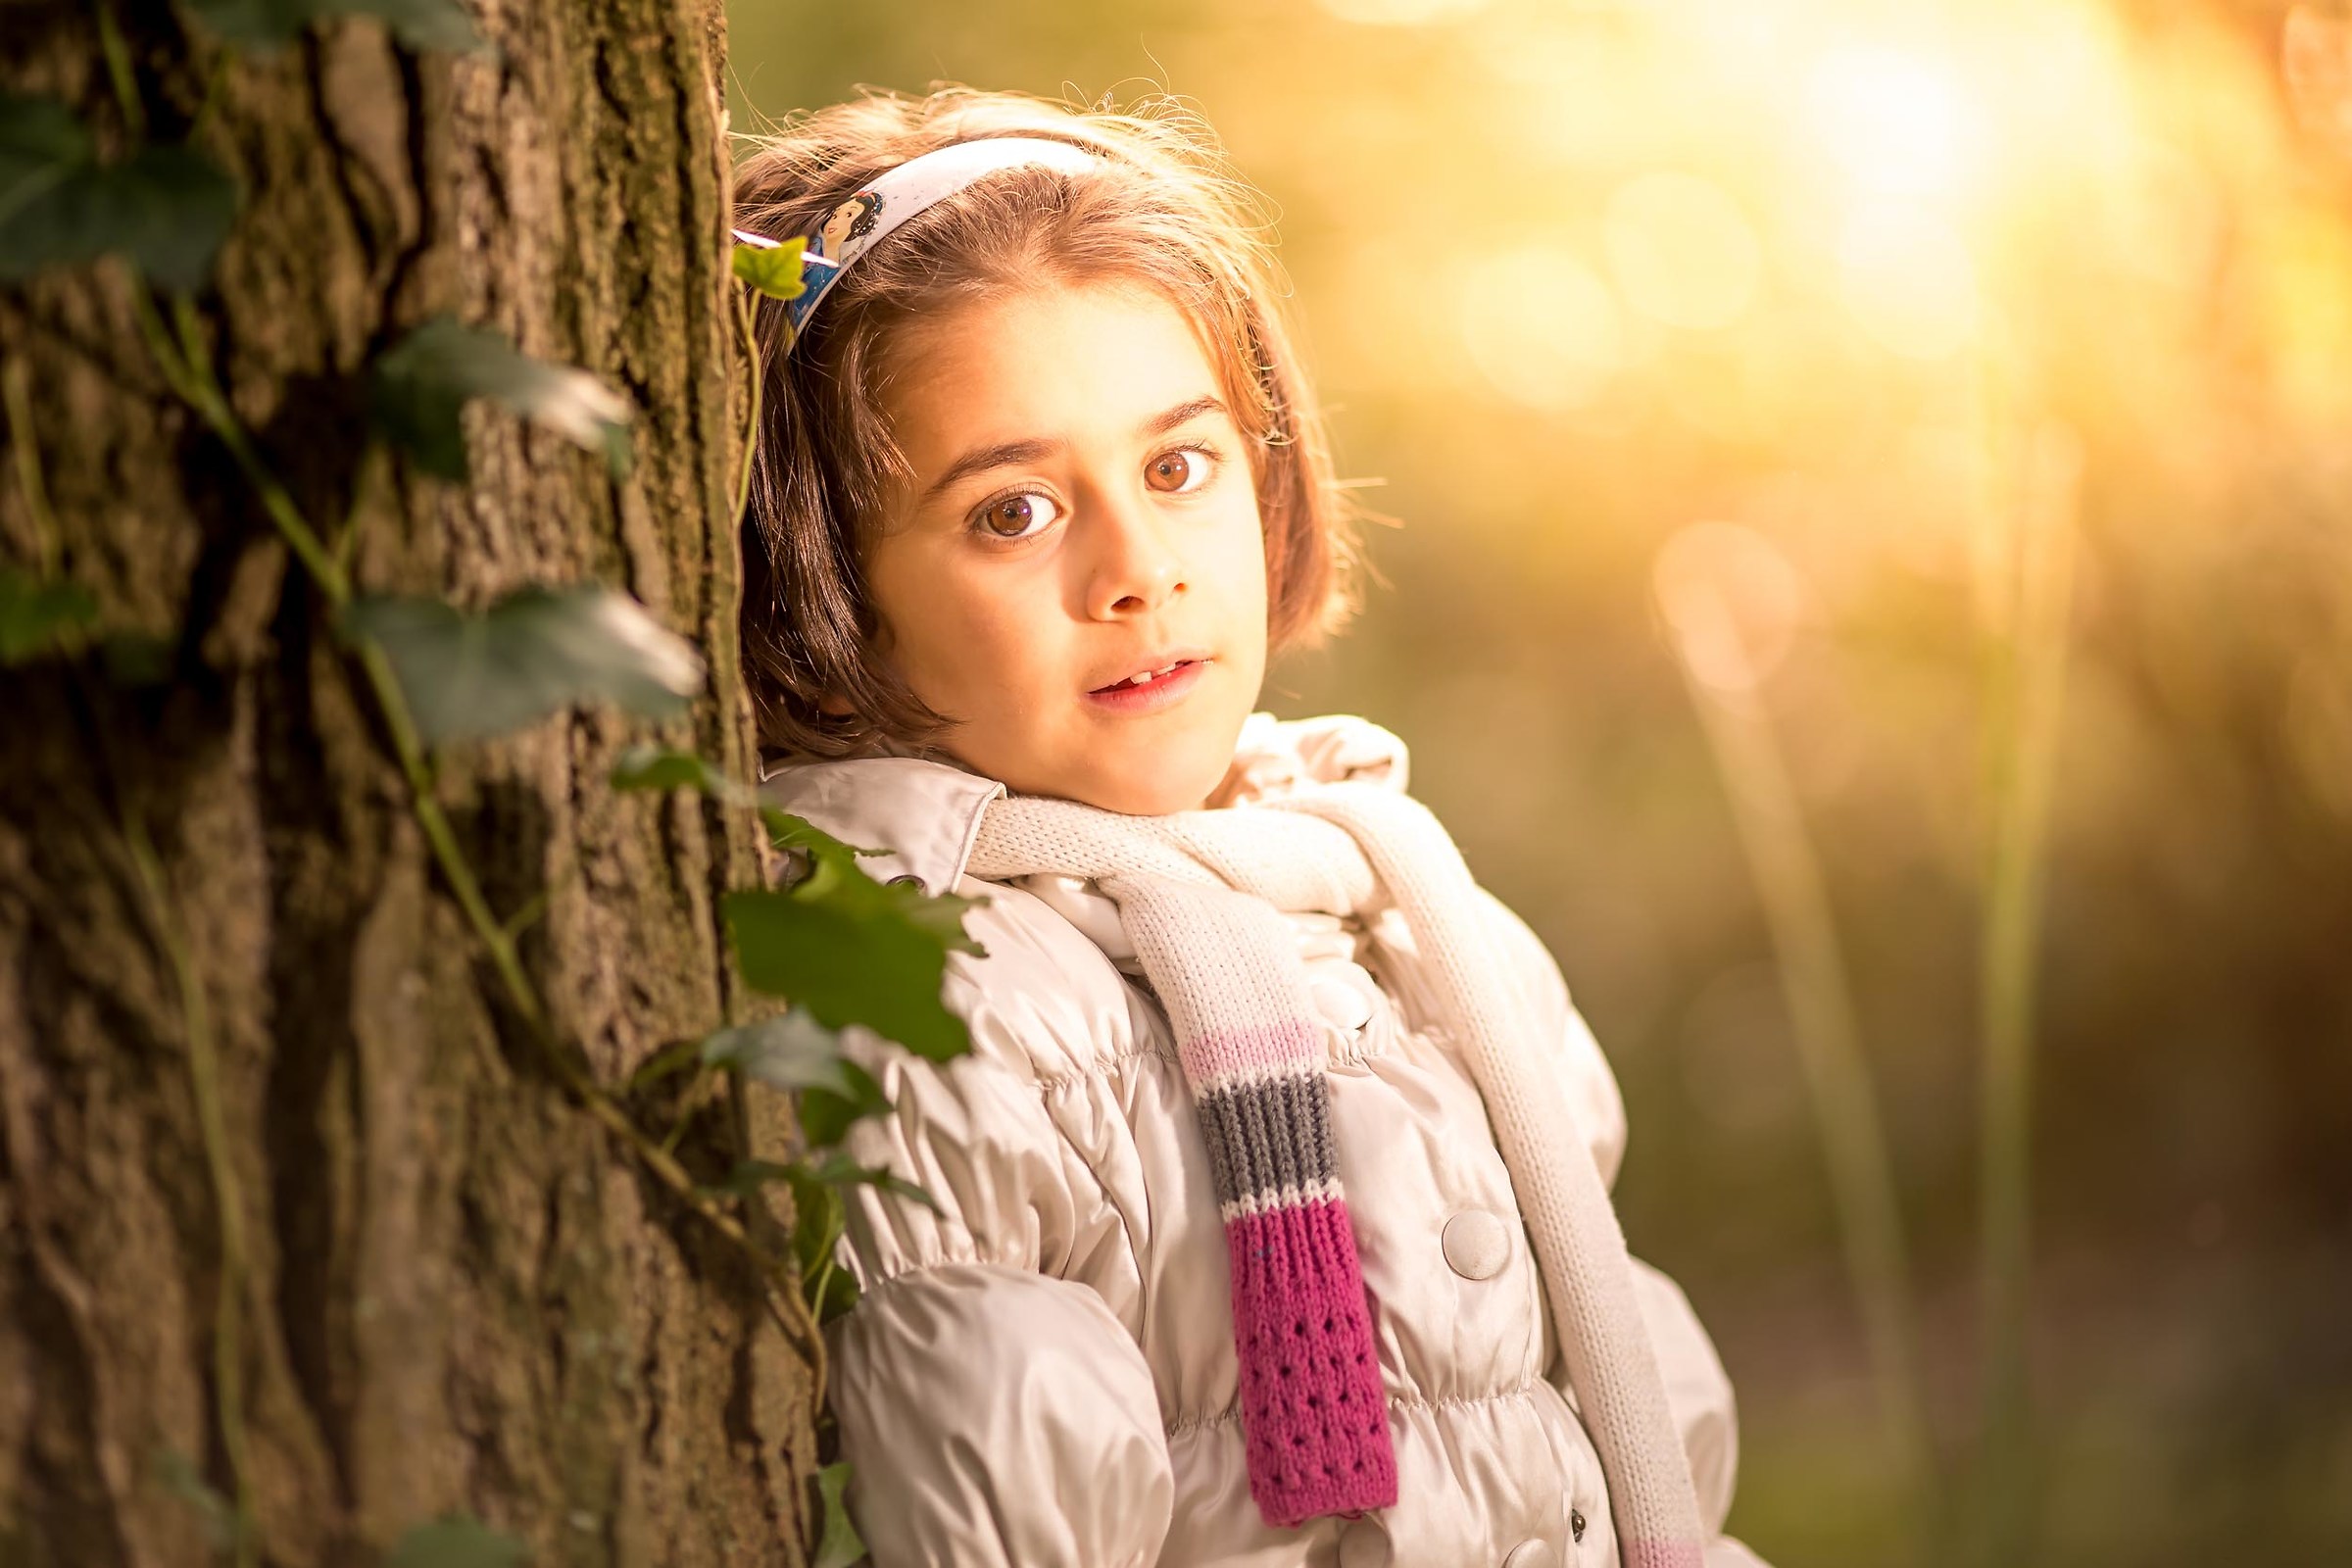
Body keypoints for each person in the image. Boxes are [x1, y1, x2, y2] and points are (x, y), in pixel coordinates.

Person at [733, 84, 1771, 1568]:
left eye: (1177, 467)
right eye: (1013, 512)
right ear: (824, 591)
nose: (1138, 569)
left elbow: (1632, 1427)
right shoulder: (930, 1005)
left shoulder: (1405, 903)